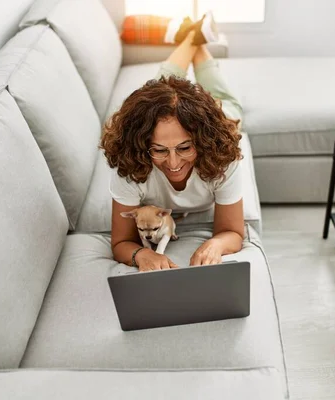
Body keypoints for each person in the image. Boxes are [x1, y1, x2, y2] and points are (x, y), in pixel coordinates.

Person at [100, 15, 245, 273]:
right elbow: (121, 242)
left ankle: (193, 37)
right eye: (158, 150)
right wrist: (141, 254)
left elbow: (232, 232)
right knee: (159, 91)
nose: (174, 163)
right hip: (161, 102)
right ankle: (194, 36)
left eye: (185, 147)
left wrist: (216, 244)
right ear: (143, 146)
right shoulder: (130, 163)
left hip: (219, 114)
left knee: (225, 102)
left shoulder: (223, 155)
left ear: (201, 141)